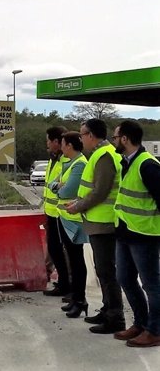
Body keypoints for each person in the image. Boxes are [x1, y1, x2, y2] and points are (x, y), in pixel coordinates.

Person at [66, 118, 125, 334]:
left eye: (82, 134)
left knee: (106, 271)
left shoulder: (104, 156)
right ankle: (107, 309)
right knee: (103, 270)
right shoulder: (100, 154)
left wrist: (78, 206)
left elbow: (101, 192)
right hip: (97, 220)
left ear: (91, 135)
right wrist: (78, 203)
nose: (81, 138)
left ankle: (115, 318)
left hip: (104, 221)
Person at [110, 120, 160, 347]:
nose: (113, 141)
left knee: (151, 284)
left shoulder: (147, 165)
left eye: (115, 137)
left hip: (144, 235)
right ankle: (141, 323)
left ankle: (155, 330)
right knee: (125, 279)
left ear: (125, 139)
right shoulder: (126, 162)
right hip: (125, 232)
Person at [54, 132, 89, 318]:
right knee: (73, 262)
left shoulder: (80, 164)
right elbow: (56, 185)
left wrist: (59, 187)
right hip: (65, 218)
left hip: (74, 222)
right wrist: (58, 186)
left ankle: (80, 299)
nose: (61, 147)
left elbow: (67, 190)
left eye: (63, 143)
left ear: (70, 145)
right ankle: (76, 299)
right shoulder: (69, 163)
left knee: (77, 262)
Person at [42, 126, 72, 299]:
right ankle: (63, 284)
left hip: (63, 214)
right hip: (52, 213)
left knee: (67, 253)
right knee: (55, 250)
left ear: (56, 142)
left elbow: (63, 187)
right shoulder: (53, 160)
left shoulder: (65, 161)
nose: (46, 144)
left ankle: (69, 285)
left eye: (48, 140)